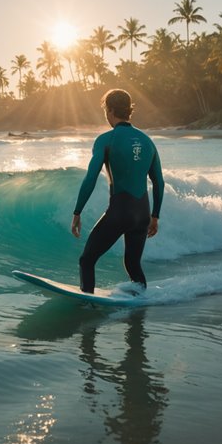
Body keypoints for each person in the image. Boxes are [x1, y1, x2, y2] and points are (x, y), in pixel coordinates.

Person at [71, 89, 164, 294]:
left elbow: (91, 178)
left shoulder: (106, 140)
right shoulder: (147, 141)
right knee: (133, 264)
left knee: (87, 260)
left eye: (106, 110)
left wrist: (77, 212)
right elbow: (159, 182)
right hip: (142, 214)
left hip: (120, 212)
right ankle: (140, 304)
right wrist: (155, 216)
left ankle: (88, 304)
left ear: (110, 110)